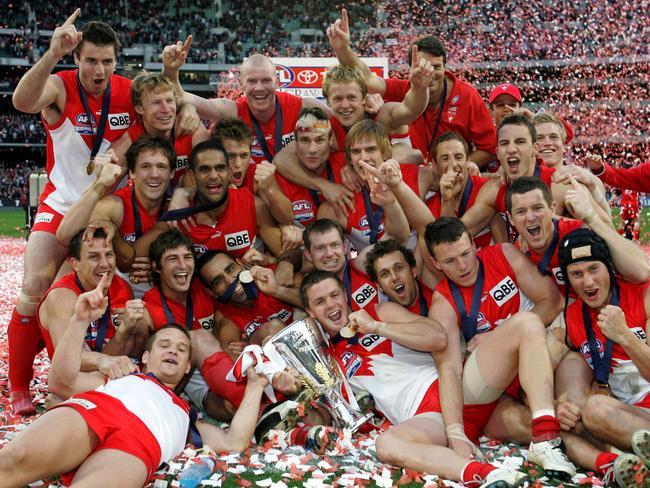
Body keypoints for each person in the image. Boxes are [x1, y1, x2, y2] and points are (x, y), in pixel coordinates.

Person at [0, 284, 268, 488]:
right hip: (99, 409)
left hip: (139, 444)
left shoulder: (188, 417)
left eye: (182, 349)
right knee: (14, 460)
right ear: (146, 357)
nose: (172, 351)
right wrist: (79, 322)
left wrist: (256, 386)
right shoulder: (121, 375)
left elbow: (234, 442)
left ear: (188, 366)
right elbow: (60, 383)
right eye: (164, 345)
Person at [8, 10, 136, 415]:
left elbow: (164, 112)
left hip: (108, 208)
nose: (99, 70)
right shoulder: (60, 87)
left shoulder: (128, 92)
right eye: (90, 60)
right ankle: (20, 387)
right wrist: (50, 54)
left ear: (117, 61)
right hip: (62, 202)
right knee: (35, 285)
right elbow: (21, 101)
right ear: (77, 58)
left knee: (129, 282)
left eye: (107, 61)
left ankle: (105, 366)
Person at [300, 270, 528, 487]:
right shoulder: (326, 362)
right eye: (320, 302)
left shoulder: (380, 312)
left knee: (529, 423)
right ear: (310, 312)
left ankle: (548, 433)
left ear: (345, 294)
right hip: (428, 421)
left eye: (334, 295)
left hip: (458, 393)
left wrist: (378, 328)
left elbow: (438, 337)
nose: (331, 304)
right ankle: (487, 475)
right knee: (387, 445)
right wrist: (295, 391)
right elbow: (327, 420)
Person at [425, 217, 576, 478]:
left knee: (563, 414)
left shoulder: (503, 254)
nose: (462, 266)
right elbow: (449, 369)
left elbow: (553, 302)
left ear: (474, 244)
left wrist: (497, 334)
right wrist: (455, 433)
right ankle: (545, 436)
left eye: (465, 253)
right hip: (485, 383)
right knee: (527, 323)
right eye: (450, 261)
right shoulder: (442, 301)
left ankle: (605, 458)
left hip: (530, 362)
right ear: (436, 264)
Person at [327, 9, 496, 167]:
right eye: (422, 66)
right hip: (415, 178)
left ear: (445, 68)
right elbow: (368, 78)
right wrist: (342, 49)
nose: (428, 73)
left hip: (453, 178)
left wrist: (452, 169)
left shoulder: (468, 96)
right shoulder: (403, 88)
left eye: (436, 67)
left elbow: (488, 149)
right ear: (410, 69)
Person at [556, 229, 650, 485]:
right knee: (589, 412)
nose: (587, 281)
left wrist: (626, 337)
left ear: (609, 268)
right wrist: (558, 406)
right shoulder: (572, 317)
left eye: (593, 269)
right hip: (631, 419)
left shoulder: (643, 295)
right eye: (576, 274)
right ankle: (625, 464)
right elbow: (539, 368)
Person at [162, 38, 330, 164]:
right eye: (252, 81)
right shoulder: (233, 111)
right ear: (241, 84)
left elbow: (344, 121)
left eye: (266, 80)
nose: (259, 88)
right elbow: (180, 96)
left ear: (277, 82)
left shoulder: (302, 106)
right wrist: (170, 69)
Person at [56, 136, 175, 297]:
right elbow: (64, 236)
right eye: (145, 166)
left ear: (172, 173)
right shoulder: (114, 206)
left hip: (158, 294)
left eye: (161, 167)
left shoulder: (177, 206)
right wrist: (100, 184)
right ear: (132, 173)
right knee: (69, 266)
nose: (154, 174)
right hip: (114, 291)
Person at [38, 227, 146, 397]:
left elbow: (113, 356)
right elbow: (71, 359)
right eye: (94, 256)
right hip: (76, 381)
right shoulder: (62, 296)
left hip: (108, 375)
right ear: (75, 264)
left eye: (109, 255)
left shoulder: (122, 288)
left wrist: (126, 331)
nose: (104, 263)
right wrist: (103, 360)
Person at [317, 120, 411, 251]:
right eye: (356, 152)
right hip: (368, 267)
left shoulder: (411, 181)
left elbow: (404, 237)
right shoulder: (339, 206)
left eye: (371, 149)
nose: (364, 158)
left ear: (385, 153)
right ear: (350, 159)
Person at [111, 72, 209, 189]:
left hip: (187, 203)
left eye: (169, 101)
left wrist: (184, 193)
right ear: (140, 108)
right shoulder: (129, 140)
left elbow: (209, 179)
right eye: (156, 103)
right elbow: (103, 186)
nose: (166, 109)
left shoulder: (193, 130)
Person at [197, 250, 301, 359]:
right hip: (283, 370)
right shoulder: (226, 318)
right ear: (212, 293)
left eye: (230, 269)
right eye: (218, 281)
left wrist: (277, 290)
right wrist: (253, 349)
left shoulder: (270, 276)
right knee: (273, 327)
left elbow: (313, 302)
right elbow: (236, 361)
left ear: (240, 264)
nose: (230, 281)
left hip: (311, 341)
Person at [212, 117, 294, 226]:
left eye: (244, 156)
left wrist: (270, 189)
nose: (238, 164)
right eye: (230, 156)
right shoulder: (203, 176)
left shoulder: (255, 175)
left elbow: (287, 219)